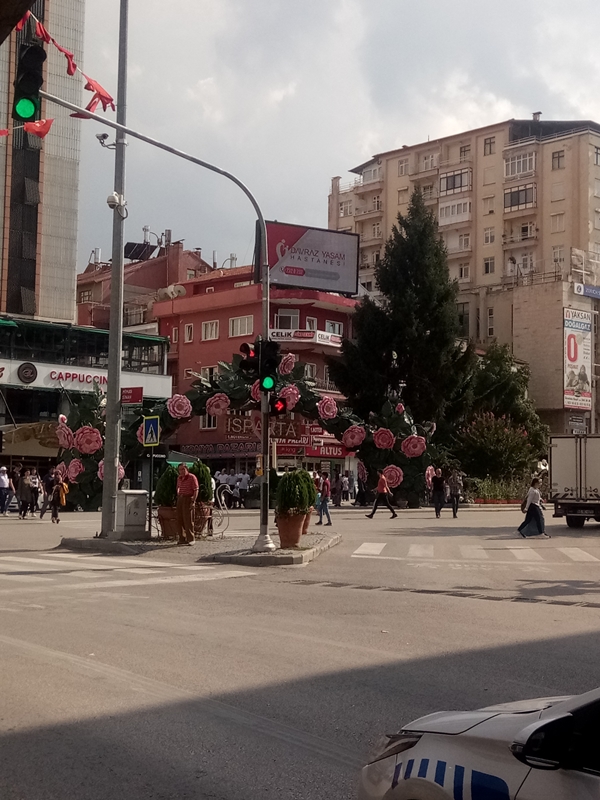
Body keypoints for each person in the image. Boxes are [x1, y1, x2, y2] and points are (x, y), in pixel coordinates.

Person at [176, 464, 199, 545]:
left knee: (188, 519)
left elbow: (196, 489)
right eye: (180, 470)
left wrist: (193, 501)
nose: (181, 471)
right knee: (179, 518)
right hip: (181, 498)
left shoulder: (192, 477)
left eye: (183, 469)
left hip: (188, 498)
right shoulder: (179, 478)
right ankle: (182, 538)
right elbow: (178, 487)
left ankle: (191, 539)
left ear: (187, 469)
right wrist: (178, 493)